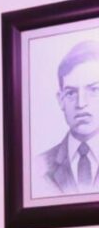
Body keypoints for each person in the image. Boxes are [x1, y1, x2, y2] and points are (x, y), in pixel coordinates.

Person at [36, 41, 99, 196]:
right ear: (60, 100)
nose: (81, 103)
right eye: (71, 93)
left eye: (94, 90)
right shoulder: (37, 167)